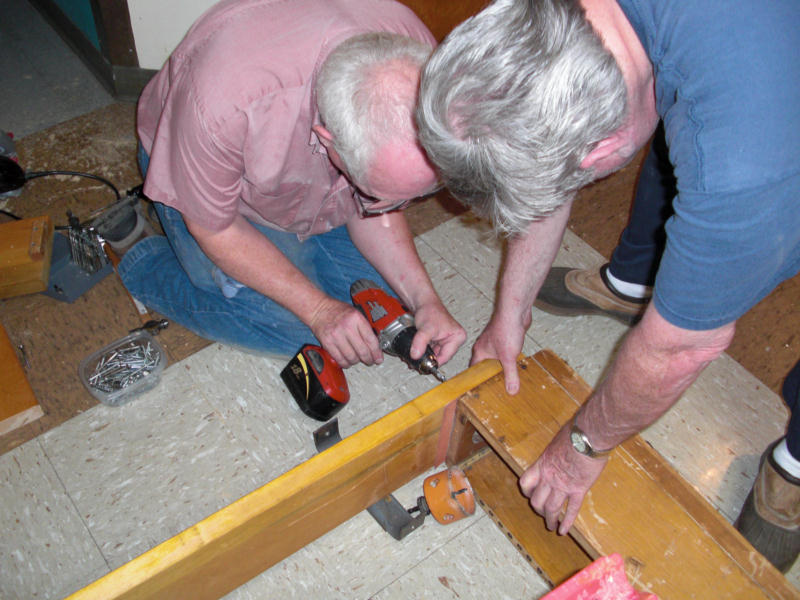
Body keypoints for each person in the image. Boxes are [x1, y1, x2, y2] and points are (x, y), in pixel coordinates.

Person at [416, 0, 800, 571]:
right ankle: (636, 283)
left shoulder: (740, 169)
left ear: (598, 152)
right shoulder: (567, 26)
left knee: (685, 306)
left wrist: (582, 449)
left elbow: (680, 350)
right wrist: (509, 315)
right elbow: (558, 155)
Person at [118, 0, 466, 371]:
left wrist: (425, 300)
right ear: (327, 138)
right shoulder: (225, 103)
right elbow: (215, 229)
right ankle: (140, 258)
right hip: (205, 188)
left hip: (308, 187)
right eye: (377, 194)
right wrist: (318, 310)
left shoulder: (422, 69)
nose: (392, 208)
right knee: (301, 333)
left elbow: (378, 210)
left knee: (381, 312)